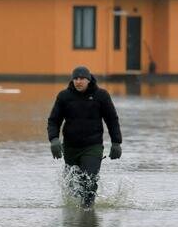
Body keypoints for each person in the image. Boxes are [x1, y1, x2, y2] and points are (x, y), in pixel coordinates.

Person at [47, 66, 122, 207]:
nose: (78, 82)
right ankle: (78, 217)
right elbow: (53, 120)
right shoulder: (64, 96)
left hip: (92, 147)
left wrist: (116, 142)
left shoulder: (101, 95)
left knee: (90, 179)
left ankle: (88, 210)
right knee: (74, 185)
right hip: (70, 148)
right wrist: (54, 139)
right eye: (75, 78)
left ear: (88, 80)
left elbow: (112, 119)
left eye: (82, 79)